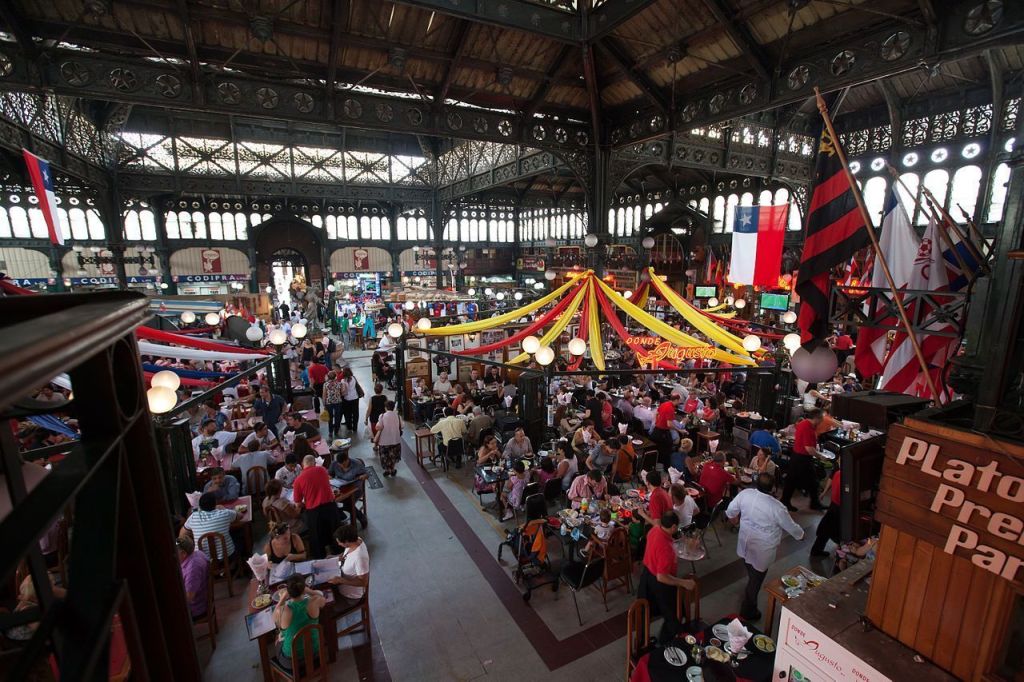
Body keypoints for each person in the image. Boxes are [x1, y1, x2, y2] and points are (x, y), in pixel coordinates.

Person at [726, 473, 805, 620]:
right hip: (763, 550)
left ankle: (750, 603)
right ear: (773, 488)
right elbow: (791, 527)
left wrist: (735, 522)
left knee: (752, 573)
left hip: (745, 543)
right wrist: (801, 535)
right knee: (755, 581)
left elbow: (730, 511)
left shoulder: (745, 494)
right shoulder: (777, 507)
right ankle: (748, 611)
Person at [637, 511, 696, 643]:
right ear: (674, 527)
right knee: (673, 613)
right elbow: (662, 577)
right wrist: (683, 582)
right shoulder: (666, 548)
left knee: (644, 613)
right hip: (659, 583)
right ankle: (665, 643)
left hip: (646, 575)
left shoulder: (655, 529)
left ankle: (642, 642)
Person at [272, 574, 326, 671]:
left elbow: (274, 617)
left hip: (291, 662)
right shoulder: (314, 601)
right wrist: (310, 591)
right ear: (303, 588)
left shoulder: (283, 610)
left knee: (278, 639)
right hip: (316, 653)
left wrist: (282, 598)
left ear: (288, 591)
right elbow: (322, 597)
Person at [292, 455, 338, 559]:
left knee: (317, 536)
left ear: (303, 465)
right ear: (314, 463)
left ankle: (320, 556)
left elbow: (298, 503)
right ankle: (337, 551)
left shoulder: (298, 480)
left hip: (314, 510)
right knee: (334, 530)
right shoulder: (322, 470)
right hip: (330, 506)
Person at [782, 409, 826, 512]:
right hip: (802, 459)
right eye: (821, 418)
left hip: (796, 456)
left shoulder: (803, 423)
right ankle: (814, 503)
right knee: (813, 481)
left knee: (791, 481)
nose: (822, 421)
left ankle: (785, 500)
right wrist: (820, 456)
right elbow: (809, 449)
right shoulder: (808, 428)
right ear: (817, 418)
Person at [180, 492, 240, 561]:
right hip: (227, 558)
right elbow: (239, 516)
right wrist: (223, 509)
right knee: (238, 538)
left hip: (202, 561)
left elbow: (182, 534)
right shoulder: (224, 513)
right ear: (215, 504)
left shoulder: (193, 517)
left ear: (200, 506)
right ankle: (235, 566)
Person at [327, 524, 369, 609]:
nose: (338, 544)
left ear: (347, 541)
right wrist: (337, 557)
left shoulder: (360, 558)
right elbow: (347, 554)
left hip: (350, 597)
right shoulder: (356, 540)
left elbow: (363, 582)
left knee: (324, 609)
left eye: (339, 542)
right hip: (340, 584)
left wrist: (341, 580)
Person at [811, 466, 843, 557]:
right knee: (835, 531)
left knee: (825, 529)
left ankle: (816, 550)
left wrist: (824, 492)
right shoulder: (848, 477)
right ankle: (842, 551)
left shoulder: (838, 473)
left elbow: (831, 481)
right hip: (840, 508)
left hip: (834, 505)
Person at [176, 535, 209, 620]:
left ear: (183, 553)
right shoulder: (198, 553)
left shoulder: (192, 569)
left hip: (196, 609)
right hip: (201, 602)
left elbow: (189, 598)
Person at [653, 393, 683, 468]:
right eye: (679, 400)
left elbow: (657, 413)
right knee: (667, 451)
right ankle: (666, 468)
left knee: (658, 449)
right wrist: (679, 430)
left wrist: (657, 422)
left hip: (656, 430)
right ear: (676, 400)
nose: (680, 402)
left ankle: (657, 464)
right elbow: (669, 424)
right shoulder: (670, 409)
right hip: (663, 433)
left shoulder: (664, 404)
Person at [322, 370, 345, 439]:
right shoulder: (339, 383)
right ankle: (336, 430)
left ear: (328, 377)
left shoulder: (325, 384)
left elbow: (324, 395)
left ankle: (330, 432)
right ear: (335, 376)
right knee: (337, 417)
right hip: (338, 402)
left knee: (330, 418)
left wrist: (324, 404)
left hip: (329, 403)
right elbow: (342, 393)